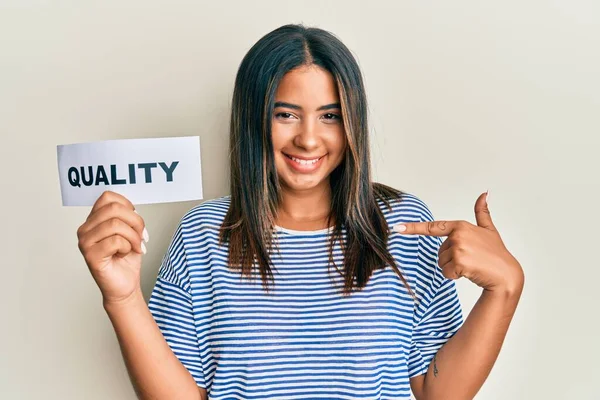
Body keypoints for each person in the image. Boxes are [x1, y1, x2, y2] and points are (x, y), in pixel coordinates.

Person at [76, 24, 524, 400]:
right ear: (254, 118)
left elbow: (434, 391)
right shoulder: (202, 234)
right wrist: (122, 298)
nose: (309, 139)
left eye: (330, 116)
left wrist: (505, 289)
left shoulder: (405, 224)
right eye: (286, 114)